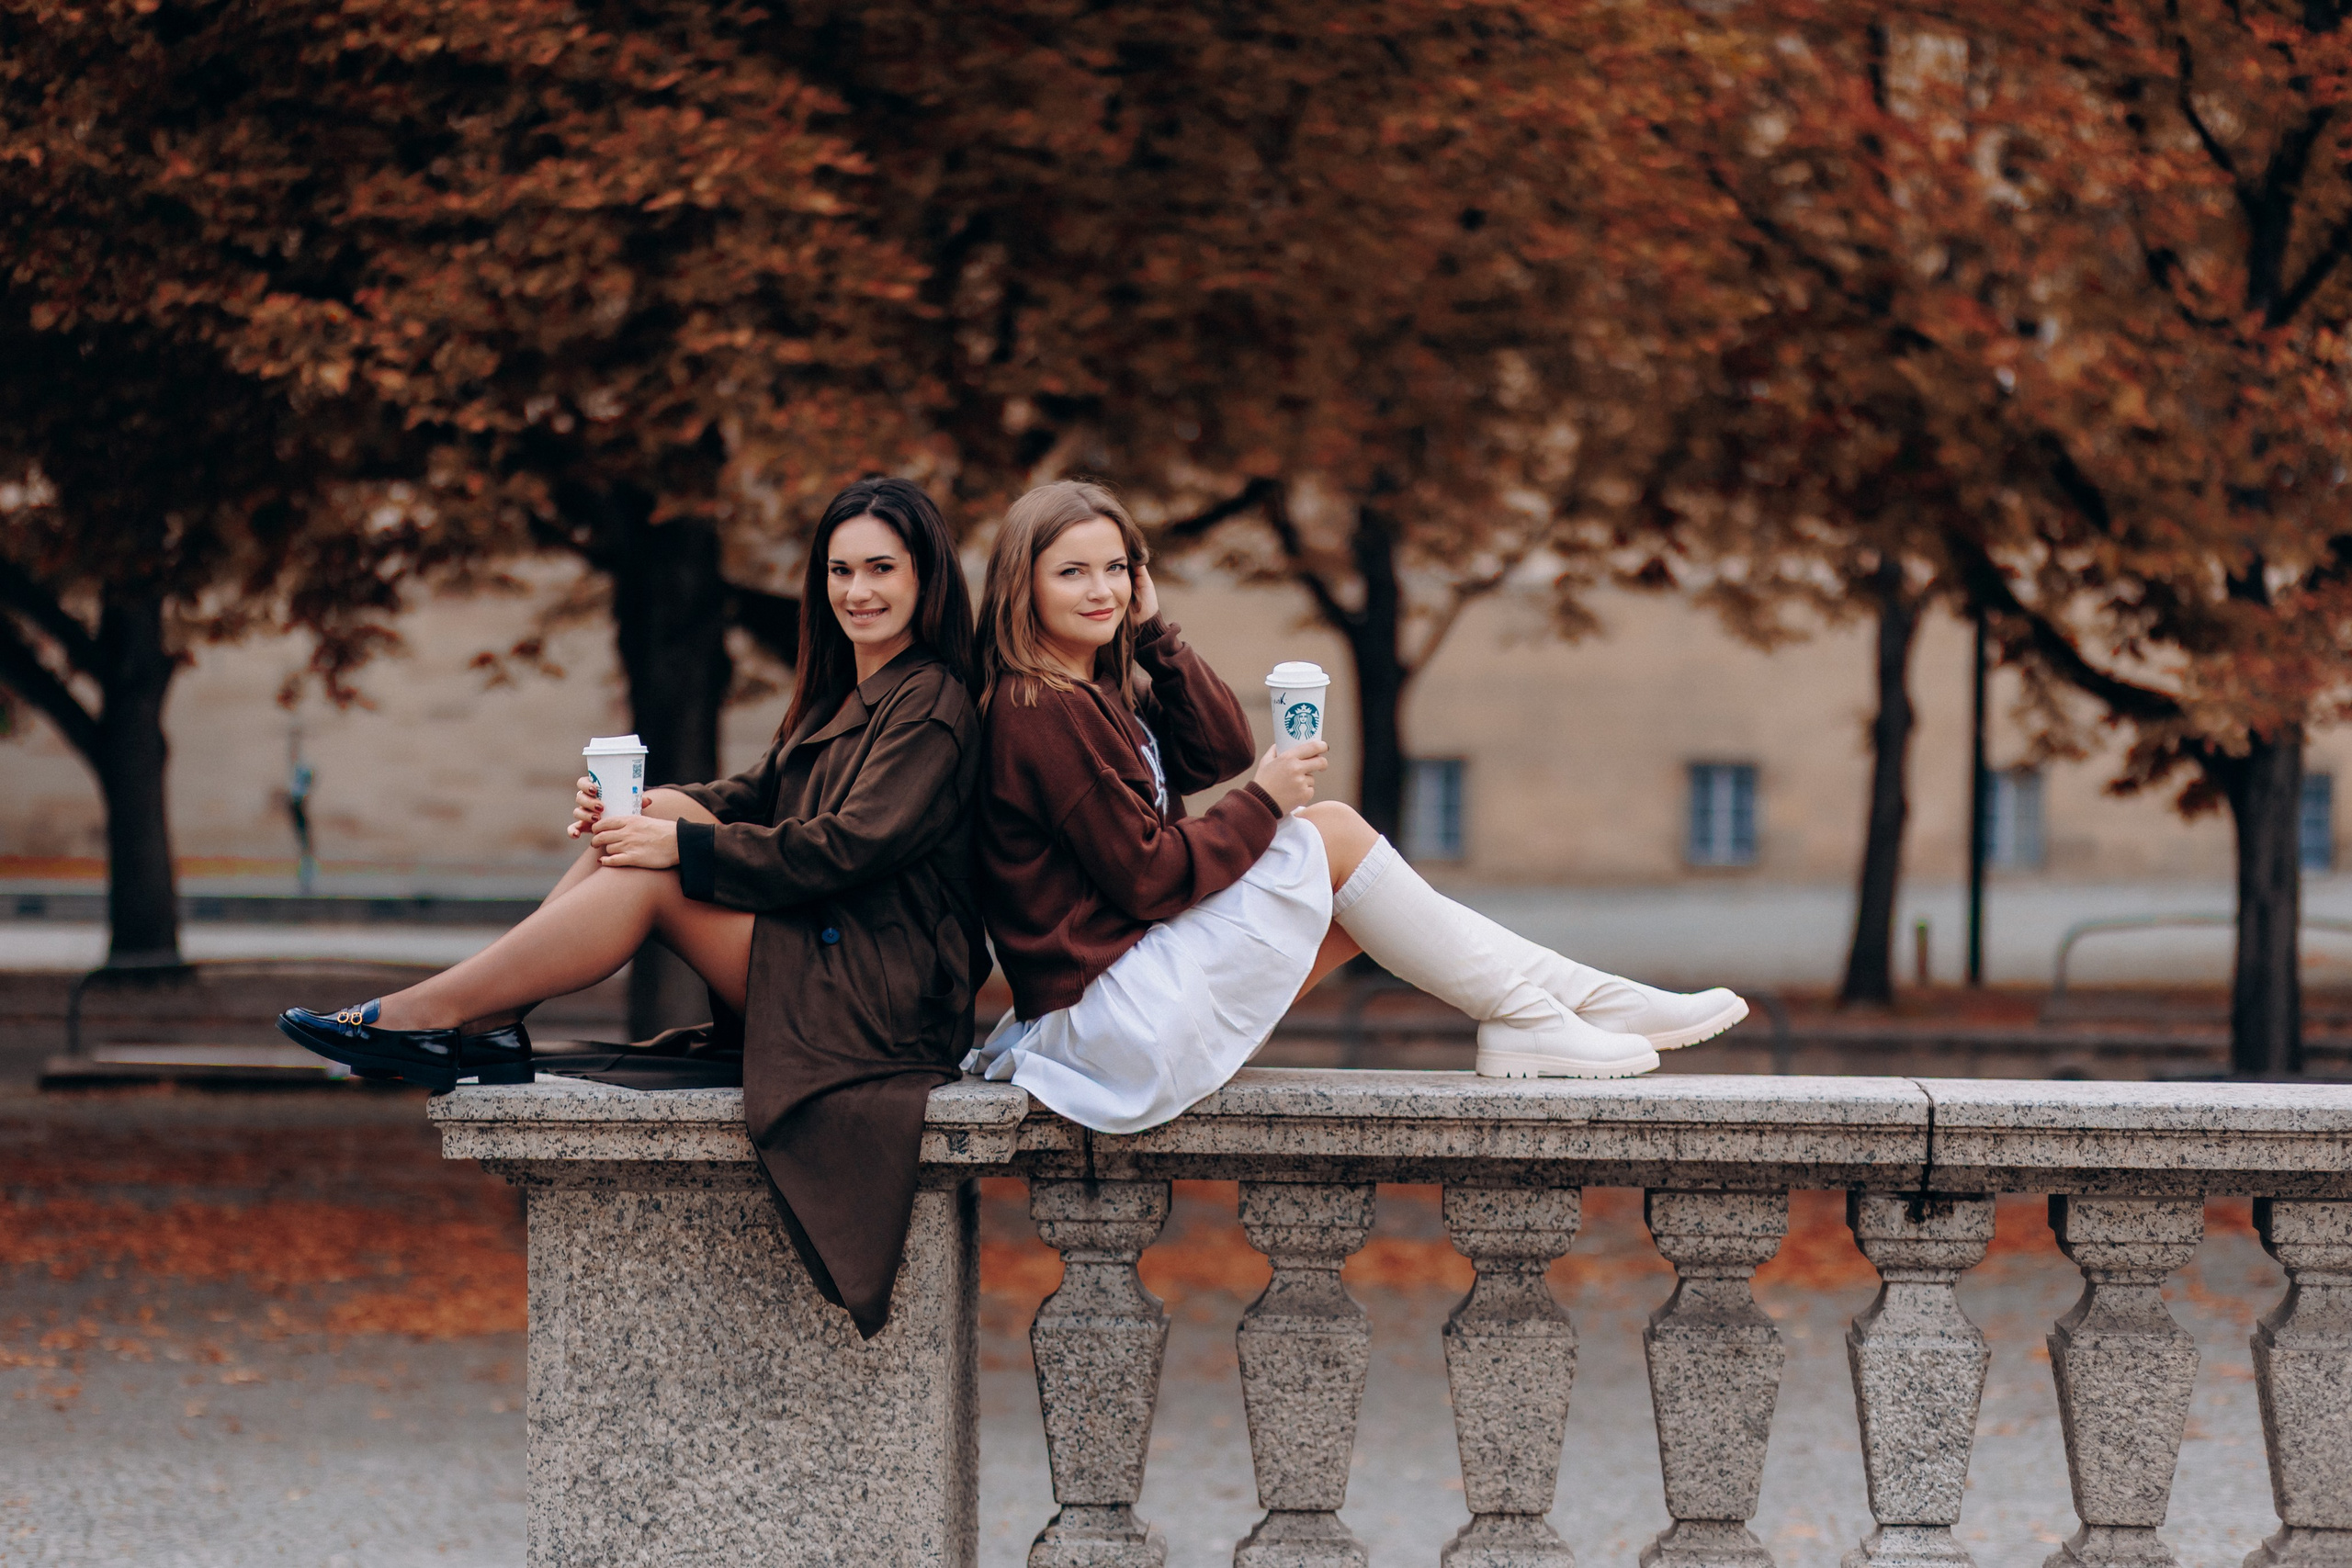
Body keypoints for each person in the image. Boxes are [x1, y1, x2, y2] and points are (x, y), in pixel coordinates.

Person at [279, 477, 985, 1336]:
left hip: (883, 992)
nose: (858, 591)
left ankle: (441, 1015)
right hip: (832, 952)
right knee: (652, 823)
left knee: (655, 868)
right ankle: (478, 1018)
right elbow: (751, 795)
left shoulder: (935, 698)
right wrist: (640, 809)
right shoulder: (846, 688)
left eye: (882, 568)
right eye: (840, 571)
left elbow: (848, 846)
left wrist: (675, 849)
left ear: (926, 578)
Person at [965, 479, 1747, 1134]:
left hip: (1117, 1006)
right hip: (1103, 1022)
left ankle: (1558, 1010)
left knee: (1350, 904)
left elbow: (1217, 751)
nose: (1102, 589)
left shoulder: (1093, 691)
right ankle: (1567, 1008)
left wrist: (1156, 632)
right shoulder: (1039, 708)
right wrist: (1265, 804)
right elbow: (1146, 876)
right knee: (1329, 831)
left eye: (1117, 568)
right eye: (1072, 572)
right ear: (1022, 584)